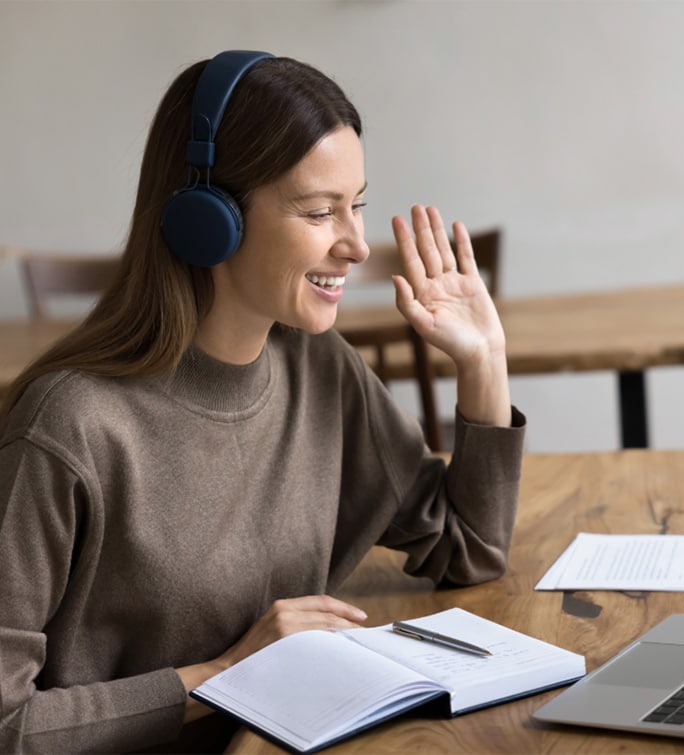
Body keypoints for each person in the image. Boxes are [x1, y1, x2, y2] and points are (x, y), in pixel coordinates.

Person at [0, 51, 524, 753]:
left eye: (357, 205)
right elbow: (8, 719)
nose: (358, 245)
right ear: (208, 219)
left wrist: (484, 361)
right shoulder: (69, 425)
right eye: (320, 211)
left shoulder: (317, 367)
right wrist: (220, 675)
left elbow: (469, 547)